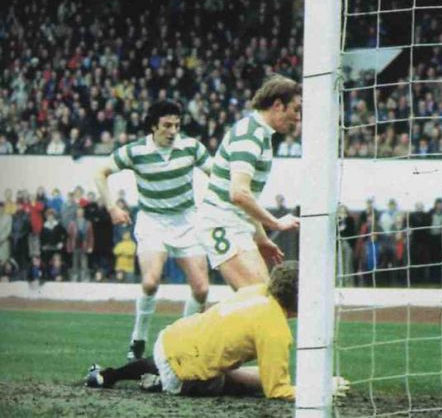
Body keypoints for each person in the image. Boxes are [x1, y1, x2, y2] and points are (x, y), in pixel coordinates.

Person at [84, 263, 350, 400]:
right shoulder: (275, 329)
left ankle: (110, 375)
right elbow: (277, 390)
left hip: (170, 339)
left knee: (198, 358)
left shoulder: (255, 291)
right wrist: (319, 390)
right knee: (234, 382)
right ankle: (160, 384)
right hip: (183, 375)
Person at [94, 100, 213, 360]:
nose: (173, 131)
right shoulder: (136, 151)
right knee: (150, 281)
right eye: (167, 126)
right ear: (153, 126)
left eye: (177, 126)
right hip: (152, 222)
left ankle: (182, 341)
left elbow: (217, 176)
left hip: (186, 221)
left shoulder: (191, 147)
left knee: (202, 289)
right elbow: (100, 172)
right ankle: (138, 339)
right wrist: (112, 207)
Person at [196, 75, 300, 292]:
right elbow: (239, 194)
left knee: (258, 300)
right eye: (296, 109)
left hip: (234, 223)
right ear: (278, 105)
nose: (298, 118)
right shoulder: (250, 135)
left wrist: (261, 238)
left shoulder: (259, 133)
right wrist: (276, 223)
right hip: (222, 223)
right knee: (259, 300)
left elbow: (246, 198)